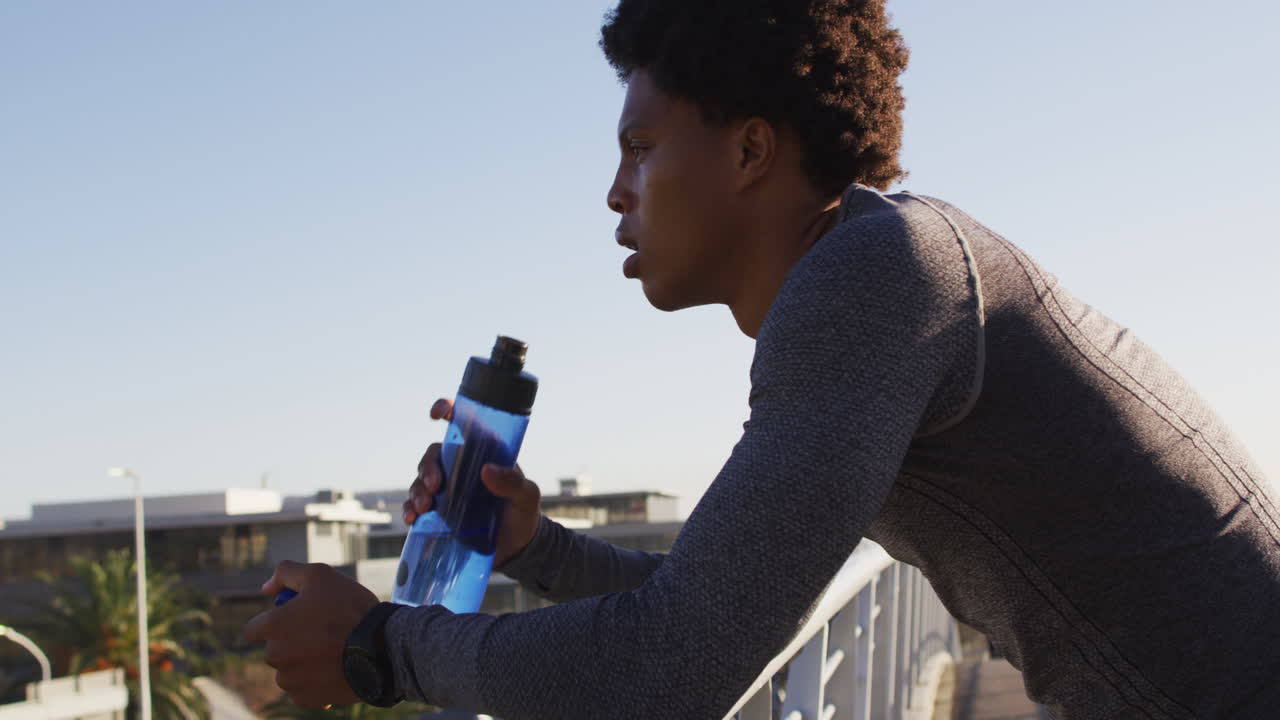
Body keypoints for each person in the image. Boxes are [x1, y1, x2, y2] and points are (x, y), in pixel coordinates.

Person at [243, 1, 1280, 717]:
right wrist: (533, 546)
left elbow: (667, 671)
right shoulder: (880, 268)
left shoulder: (873, 280)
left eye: (640, 149)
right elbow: (720, 606)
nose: (614, 190)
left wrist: (382, 648)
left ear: (748, 151)